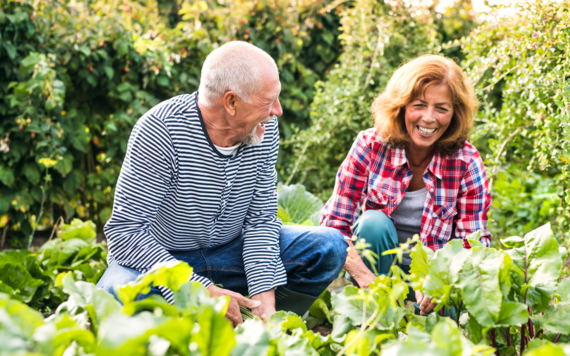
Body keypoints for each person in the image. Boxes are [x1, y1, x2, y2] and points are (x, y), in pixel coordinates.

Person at [97, 41, 348, 326]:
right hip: (165, 259)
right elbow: (125, 232)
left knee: (329, 247)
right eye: (268, 101)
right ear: (231, 102)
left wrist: (264, 300)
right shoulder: (160, 130)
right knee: (114, 295)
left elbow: (260, 221)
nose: (277, 110)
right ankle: (195, 317)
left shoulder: (262, 128)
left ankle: (251, 321)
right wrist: (198, 288)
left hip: (232, 255)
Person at [320, 55, 492, 316]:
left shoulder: (466, 162)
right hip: (377, 275)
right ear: (401, 105)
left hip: (434, 283)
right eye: (419, 105)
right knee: (373, 223)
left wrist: (439, 282)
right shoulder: (370, 145)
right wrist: (367, 280)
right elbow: (334, 226)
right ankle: (372, 317)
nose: (429, 118)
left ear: (455, 113)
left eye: (441, 108)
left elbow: (473, 244)